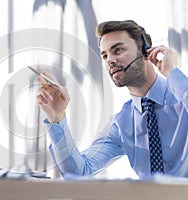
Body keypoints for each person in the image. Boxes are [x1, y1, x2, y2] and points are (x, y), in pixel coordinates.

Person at [37, 20, 188, 179]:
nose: (109, 60)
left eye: (118, 50)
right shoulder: (121, 123)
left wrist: (172, 72)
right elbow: (78, 172)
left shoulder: (181, 96)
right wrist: (56, 117)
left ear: (145, 52)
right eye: (104, 55)